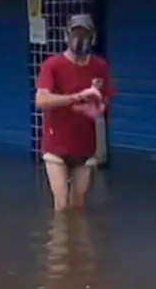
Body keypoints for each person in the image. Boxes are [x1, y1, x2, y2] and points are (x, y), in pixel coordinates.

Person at [35, 14, 114, 212]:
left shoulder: (99, 66)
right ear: (66, 36)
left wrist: (97, 108)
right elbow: (41, 100)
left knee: (78, 204)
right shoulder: (52, 65)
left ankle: (78, 242)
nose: (80, 40)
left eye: (85, 35)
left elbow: (105, 100)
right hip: (56, 144)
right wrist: (76, 97)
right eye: (76, 34)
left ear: (93, 39)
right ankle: (60, 243)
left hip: (84, 146)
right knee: (61, 203)